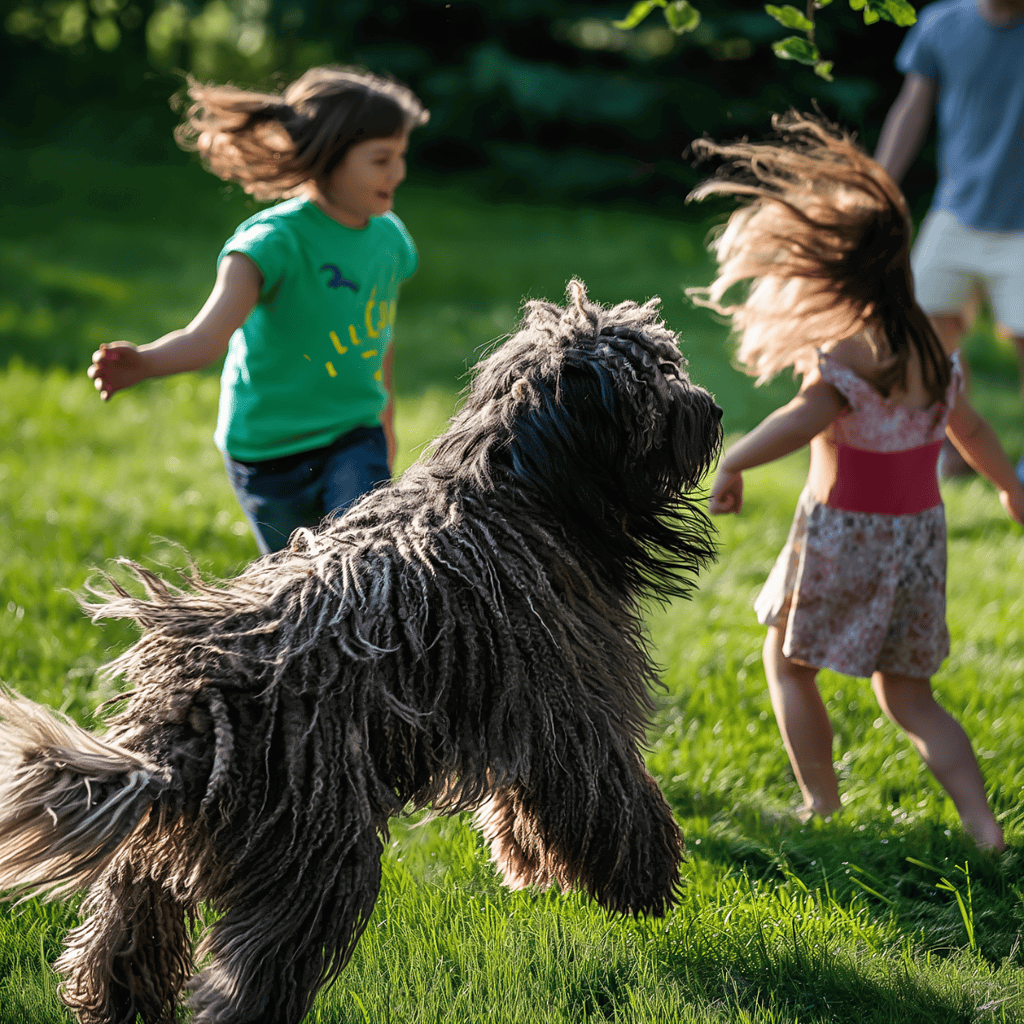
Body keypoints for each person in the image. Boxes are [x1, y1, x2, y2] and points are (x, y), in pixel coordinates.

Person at [690, 113, 1024, 850]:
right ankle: (984, 826)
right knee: (909, 696)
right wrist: (1009, 487)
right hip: (917, 543)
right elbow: (971, 431)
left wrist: (737, 460)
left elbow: (799, 421)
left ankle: (824, 805)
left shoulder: (849, 354)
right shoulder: (936, 355)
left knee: (786, 660)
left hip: (842, 539)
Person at [88, 66, 429, 553]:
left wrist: (385, 426)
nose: (397, 173)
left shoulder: (390, 241)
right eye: (381, 159)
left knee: (364, 558)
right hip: (269, 453)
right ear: (330, 157)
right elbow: (205, 339)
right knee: (294, 585)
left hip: (353, 437)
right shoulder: (271, 244)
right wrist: (143, 363)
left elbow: (380, 337)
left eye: (400, 157)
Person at [874, 0, 1024, 479]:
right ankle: (955, 449)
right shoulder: (941, 24)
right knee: (922, 338)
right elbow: (911, 108)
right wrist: (878, 188)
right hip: (955, 213)